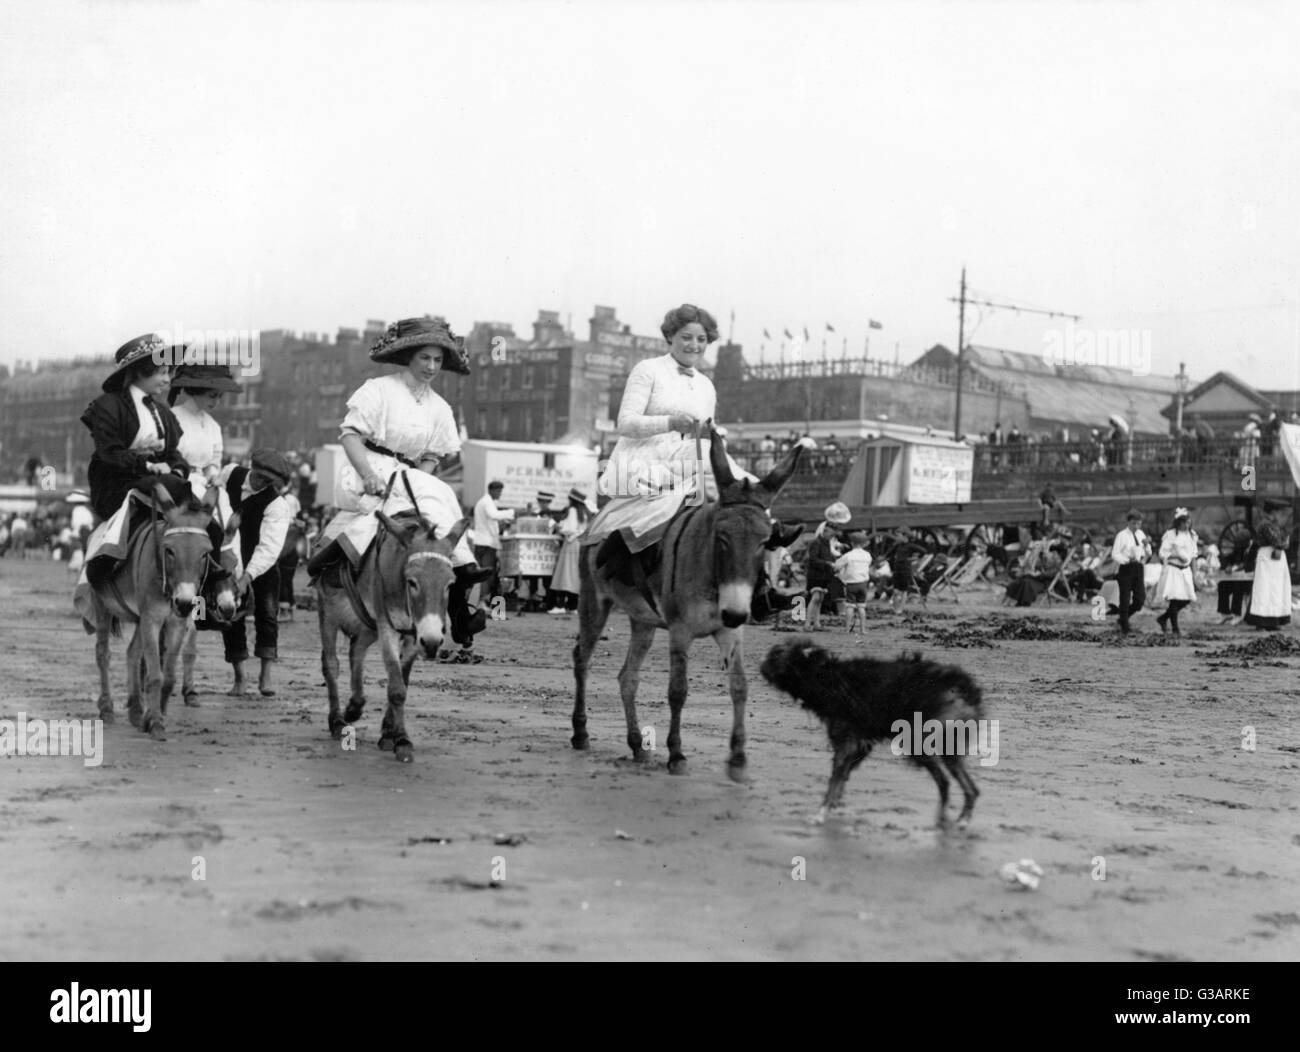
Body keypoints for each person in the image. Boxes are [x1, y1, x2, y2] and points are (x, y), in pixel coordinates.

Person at [305, 317, 488, 662]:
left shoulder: (441, 408)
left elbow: (432, 456)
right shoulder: (379, 390)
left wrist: (418, 481)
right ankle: (330, 569)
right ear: (409, 357)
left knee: (442, 507)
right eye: (424, 358)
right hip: (367, 470)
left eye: (437, 360)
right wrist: (369, 474)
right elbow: (350, 436)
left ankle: (461, 589)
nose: (431, 367)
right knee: (373, 522)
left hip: (410, 477)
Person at [583, 303, 756, 584]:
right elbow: (625, 423)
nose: (694, 345)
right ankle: (623, 557)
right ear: (671, 336)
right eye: (687, 337)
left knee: (736, 486)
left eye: (701, 339)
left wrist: (710, 432)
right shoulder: (647, 370)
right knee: (680, 487)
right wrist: (670, 423)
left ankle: (754, 567)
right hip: (643, 458)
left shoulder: (706, 386)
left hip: (687, 457)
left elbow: (703, 430)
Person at [78, 335, 196, 593]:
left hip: (161, 479)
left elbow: (173, 453)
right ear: (140, 373)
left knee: (197, 508)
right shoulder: (108, 406)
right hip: (116, 481)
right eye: (162, 373)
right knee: (167, 486)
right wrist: (147, 466)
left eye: (170, 373)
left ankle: (210, 572)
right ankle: (104, 564)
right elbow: (109, 453)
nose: (168, 380)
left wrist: (176, 468)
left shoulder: (162, 412)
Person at [220, 450, 293, 697]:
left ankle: (266, 675)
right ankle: (239, 678)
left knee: (267, 617)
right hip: (228, 560)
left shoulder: (277, 505)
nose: (262, 484)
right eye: (259, 477)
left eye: (269, 482)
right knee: (230, 616)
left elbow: (269, 548)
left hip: (262, 566)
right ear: (252, 468)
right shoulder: (229, 474)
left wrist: (246, 578)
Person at [168, 364, 242, 500]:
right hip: (177, 485)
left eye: (220, 396)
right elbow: (168, 459)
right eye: (212, 396)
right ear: (197, 391)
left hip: (203, 485)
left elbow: (212, 462)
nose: (217, 402)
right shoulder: (172, 418)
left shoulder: (213, 426)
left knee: (224, 502)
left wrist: (213, 476)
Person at [1245, 500, 1292, 631]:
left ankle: (1273, 620)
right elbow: (1278, 542)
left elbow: (1283, 541)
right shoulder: (1265, 526)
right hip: (1267, 558)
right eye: (1277, 512)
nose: (1279, 515)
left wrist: (1284, 541)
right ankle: (1261, 621)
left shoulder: (1275, 525)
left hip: (1276, 561)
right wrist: (1284, 542)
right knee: (1264, 589)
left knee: (1275, 590)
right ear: (1272, 512)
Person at [804, 502, 850, 628]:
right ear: (826, 531)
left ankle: (817, 622)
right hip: (816, 574)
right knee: (815, 599)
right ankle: (808, 623)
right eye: (831, 533)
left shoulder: (825, 541)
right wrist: (829, 562)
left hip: (824, 574)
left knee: (819, 599)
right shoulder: (817, 543)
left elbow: (829, 550)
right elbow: (813, 559)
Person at [1154, 508, 1198, 638]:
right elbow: (1162, 553)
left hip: (1185, 570)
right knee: (1174, 598)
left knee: (1186, 599)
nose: (1186, 525)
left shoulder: (1192, 535)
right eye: (1184, 522)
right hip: (1173, 569)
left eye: (1188, 522)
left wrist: (1195, 573)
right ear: (1178, 522)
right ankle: (1175, 628)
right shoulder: (1171, 534)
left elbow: (1193, 555)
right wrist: (1174, 555)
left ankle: (1163, 618)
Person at [546, 489, 591, 614]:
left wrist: (558, 526)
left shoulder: (572, 511)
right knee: (575, 575)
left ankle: (560, 605)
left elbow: (569, 529)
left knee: (565, 574)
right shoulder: (585, 513)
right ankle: (572, 605)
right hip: (580, 544)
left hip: (571, 544)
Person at [472, 480, 515, 605]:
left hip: (486, 542)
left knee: (489, 576)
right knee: (487, 575)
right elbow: (493, 515)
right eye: (499, 491)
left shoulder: (486, 502)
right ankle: (483, 603)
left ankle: (490, 607)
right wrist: (512, 512)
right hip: (486, 544)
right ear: (492, 490)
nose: (500, 494)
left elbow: (492, 520)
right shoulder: (486, 502)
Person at [1111, 509, 1152, 634]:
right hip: (1126, 568)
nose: (1136, 526)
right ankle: (1124, 625)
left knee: (1140, 599)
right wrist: (1125, 560)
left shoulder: (1141, 534)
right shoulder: (1122, 535)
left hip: (1138, 567)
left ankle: (1124, 617)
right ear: (1129, 523)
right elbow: (1115, 554)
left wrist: (1146, 548)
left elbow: (1148, 551)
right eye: (1134, 523)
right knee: (1125, 597)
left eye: (1138, 523)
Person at [833, 531, 873, 607]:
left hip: (851, 584)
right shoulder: (867, 555)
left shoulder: (848, 555)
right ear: (864, 544)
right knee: (861, 606)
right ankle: (862, 619)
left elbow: (837, 566)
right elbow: (869, 563)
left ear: (852, 543)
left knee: (849, 606)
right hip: (863, 584)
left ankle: (848, 619)